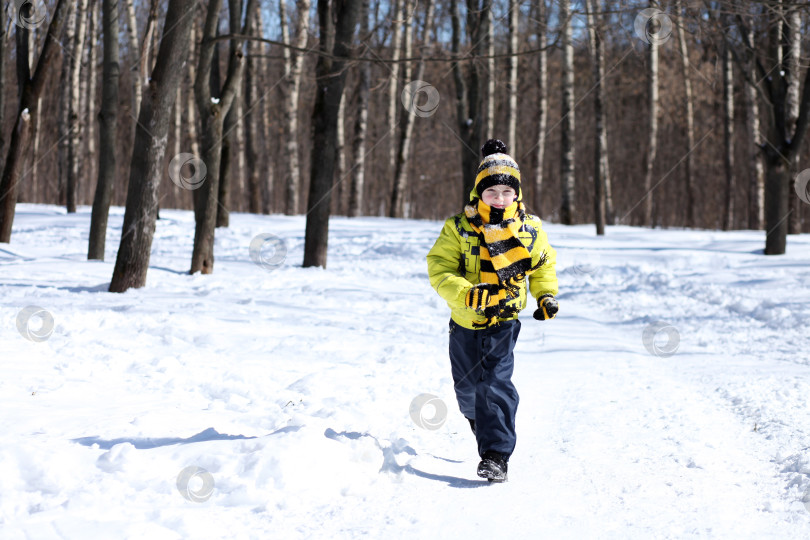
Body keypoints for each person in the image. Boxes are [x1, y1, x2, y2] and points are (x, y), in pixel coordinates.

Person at [426, 139, 559, 482]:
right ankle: (479, 420)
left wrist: (545, 296)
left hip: (504, 322)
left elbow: (543, 266)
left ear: (516, 194)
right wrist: (467, 294)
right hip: (465, 322)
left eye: (506, 192)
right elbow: (439, 269)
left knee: (495, 384)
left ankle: (497, 454)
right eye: (491, 192)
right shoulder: (459, 227)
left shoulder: (529, 230)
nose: (499, 199)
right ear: (478, 193)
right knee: (468, 390)